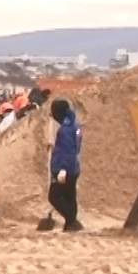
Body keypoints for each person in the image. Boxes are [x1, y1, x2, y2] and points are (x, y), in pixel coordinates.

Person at [39, 98, 84, 232]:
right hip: (74, 167)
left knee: (54, 196)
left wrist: (62, 169)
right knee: (70, 196)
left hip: (65, 168)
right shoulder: (75, 125)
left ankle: (72, 221)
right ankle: (70, 225)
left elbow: (67, 150)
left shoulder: (65, 131)